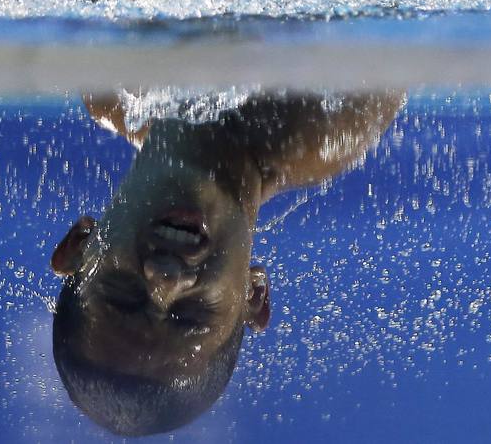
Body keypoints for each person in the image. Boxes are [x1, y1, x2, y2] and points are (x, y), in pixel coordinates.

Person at [50, 88, 404, 436]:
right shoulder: (326, 128)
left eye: (125, 294)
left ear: (81, 245)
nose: (166, 278)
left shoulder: (108, 90)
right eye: (190, 314)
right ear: (253, 294)